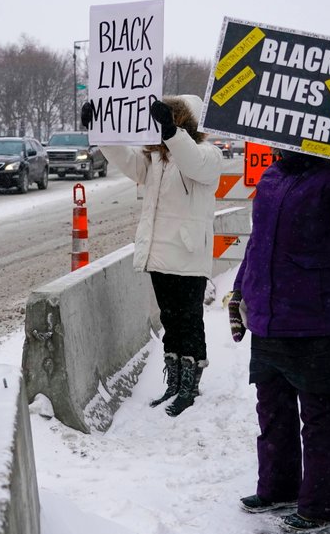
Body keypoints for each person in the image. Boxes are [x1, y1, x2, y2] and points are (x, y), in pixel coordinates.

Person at [230, 134, 330, 533]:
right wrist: (239, 293)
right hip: (270, 315)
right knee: (273, 408)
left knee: (320, 415)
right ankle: (279, 487)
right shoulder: (271, 176)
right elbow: (258, 245)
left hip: (322, 317)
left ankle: (323, 506)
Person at [80, 95, 223, 417]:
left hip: (187, 255)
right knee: (170, 321)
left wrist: (172, 133)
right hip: (159, 254)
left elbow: (194, 163)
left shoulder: (207, 155)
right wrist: (100, 129)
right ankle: (174, 383)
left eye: (170, 119)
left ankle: (190, 387)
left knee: (189, 322)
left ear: (185, 123)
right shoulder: (155, 161)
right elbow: (125, 159)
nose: (161, 127)